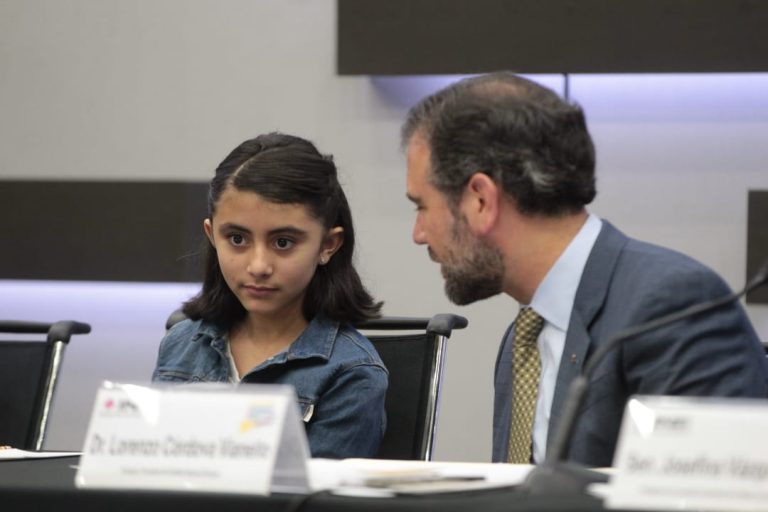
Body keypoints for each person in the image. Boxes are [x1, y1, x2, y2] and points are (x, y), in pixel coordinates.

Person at [401, 72, 768, 467]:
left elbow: (710, 500)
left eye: (421, 206)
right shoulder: (521, 340)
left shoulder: (671, 307)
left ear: (480, 201)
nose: (418, 234)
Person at [152, 132, 388, 459]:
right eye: (237, 239)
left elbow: (320, 499)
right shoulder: (180, 344)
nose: (258, 266)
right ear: (212, 235)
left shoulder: (351, 371)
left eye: (282, 243)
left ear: (327, 245)